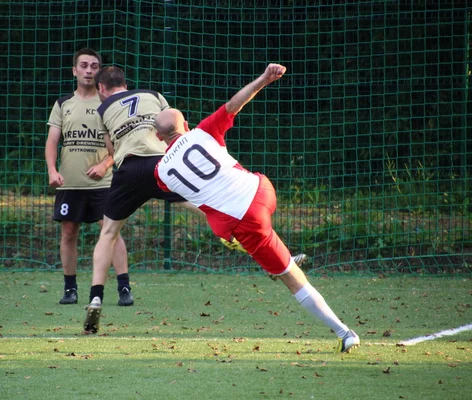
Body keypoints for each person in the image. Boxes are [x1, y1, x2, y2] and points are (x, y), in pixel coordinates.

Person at [153, 63, 360, 353]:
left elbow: (176, 186)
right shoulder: (203, 131)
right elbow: (233, 104)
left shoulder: (161, 173)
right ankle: (276, 258)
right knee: (253, 237)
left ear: (159, 137)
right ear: (185, 124)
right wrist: (264, 79)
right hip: (261, 191)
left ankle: (344, 331)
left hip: (243, 222)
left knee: (289, 276)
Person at [82, 65, 198, 334]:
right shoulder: (155, 96)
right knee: (202, 206)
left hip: (130, 169)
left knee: (108, 232)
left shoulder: (103, 109)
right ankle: (252, 245)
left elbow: (112, 149)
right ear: (125, 82)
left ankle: (96, 297)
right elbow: (173, 130)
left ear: (101, 88)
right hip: (161, 165)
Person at [45, 48, 131, 307]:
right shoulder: (63, 104)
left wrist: (106, 164)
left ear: (99, 72)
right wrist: (52, 169)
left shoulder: (109, 104)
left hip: (103, 183)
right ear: (75, 70)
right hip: (70, 183)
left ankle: (124, 287)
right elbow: (52, 141)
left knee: (111, 231)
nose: (89, 70)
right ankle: (70, 288)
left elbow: (123, 143)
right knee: (68, 233)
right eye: (84, 65)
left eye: (94, 66)